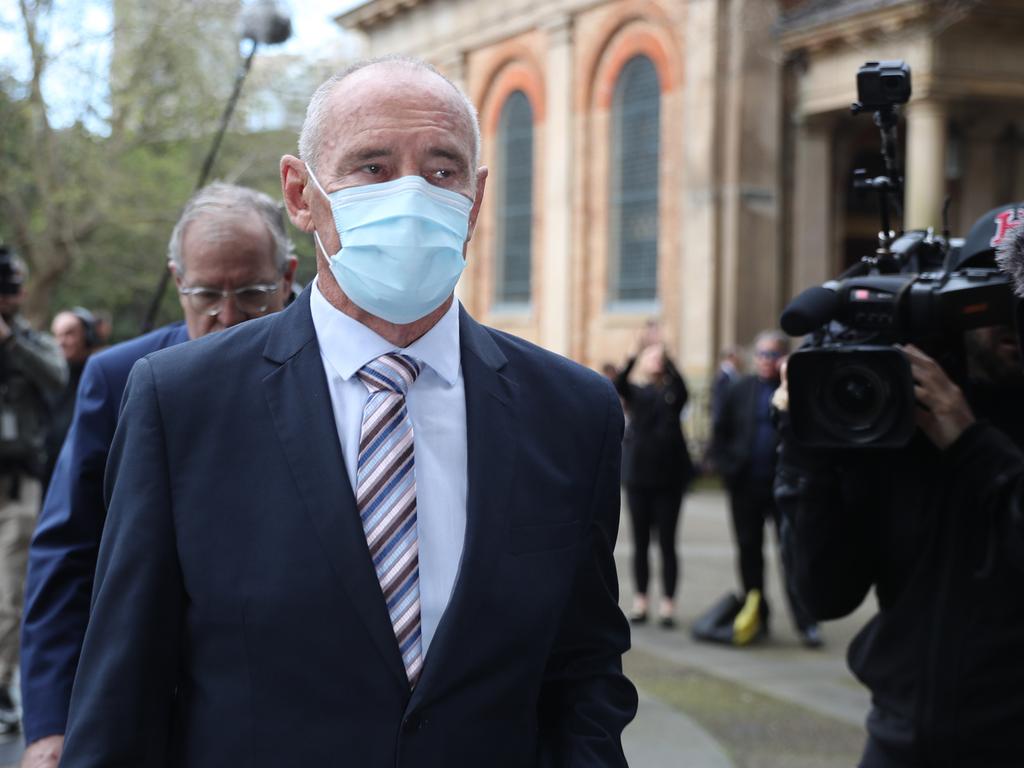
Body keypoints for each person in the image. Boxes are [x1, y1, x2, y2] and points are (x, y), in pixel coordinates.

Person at [60, 56, 636, 766]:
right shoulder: (181, 405)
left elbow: (583, 673)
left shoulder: (572, 414)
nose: (411, 195)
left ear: (477, 200)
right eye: (371, 166)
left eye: (442, 169)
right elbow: (124, 692)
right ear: (301, 195)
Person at [19, 182, 297, 768]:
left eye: (251, 293)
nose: (227, 317)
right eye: (205, 294)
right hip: (163, 704)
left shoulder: (339, 373)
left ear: (289, 276)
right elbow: (69, 551)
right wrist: (49, 723)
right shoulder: (117, 378)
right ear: (177, 281)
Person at [776, 204, 1024, 766]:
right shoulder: (904, 420)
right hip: (900, 741)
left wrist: (970, 444)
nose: (1009, 312)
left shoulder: (958, 432)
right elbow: (825, 595)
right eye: (989, 291)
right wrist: (806, 453)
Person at [712, 330, 820, 647]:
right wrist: (729, 467)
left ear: (784, 358)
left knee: (792, 555)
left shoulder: (798, 392)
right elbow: (720, 431)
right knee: (749, 554)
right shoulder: (739, 389)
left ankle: (806, 622)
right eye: (760, 354)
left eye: (772, 355)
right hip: (746, 486)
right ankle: (757, 616)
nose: (765, 360)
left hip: (785, 488)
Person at [0, 246, 66, 735]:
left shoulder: (29, 342)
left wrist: (9, 344)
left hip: (17, 484)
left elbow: (57, 375)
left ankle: (2, 687)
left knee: (9, 595)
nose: (15, 295)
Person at [615, 335, 693, 627]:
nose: (655, 362)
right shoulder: (637, 393)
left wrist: (668, 357)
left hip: (669, 480)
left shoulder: (673, 393)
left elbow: (684, 388)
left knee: (668, 543)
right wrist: (635, 353)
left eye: (657, 359)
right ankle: (641, 600)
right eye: (652, 359)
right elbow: (618, 384)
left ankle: (668, 604)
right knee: (641, 543)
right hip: (639, 479)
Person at [41, 308, 100, 491]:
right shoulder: (46, 376)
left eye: (69, 334)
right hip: (46, 472)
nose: (61, 342)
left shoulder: (100, 376)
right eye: (56, 335)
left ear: (88, 337)